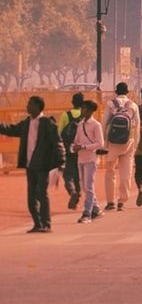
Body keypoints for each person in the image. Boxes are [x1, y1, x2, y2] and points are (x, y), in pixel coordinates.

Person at [0, 95, 65, 232]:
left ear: (37, 106)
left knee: (41, 194)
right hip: (30, 165)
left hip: (42, 165)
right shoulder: (26, 123)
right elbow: (11, 129)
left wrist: (62, 162)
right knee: (31, 197)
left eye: (29, 104)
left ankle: (46, 224)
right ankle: (37, 223)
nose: (27, 106)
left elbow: (58, 143)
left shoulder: (47, 123)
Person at [103, 81, 140, 211]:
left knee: (110, 173)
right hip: (128, 142)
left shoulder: (110, 104)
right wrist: (135, 145)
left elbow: (104, 124)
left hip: (112, 143)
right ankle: (122, 201)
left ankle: (110, 202)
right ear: (127, 92)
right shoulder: (133, 106)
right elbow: (137, 128)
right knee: (126, 173)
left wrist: (104, 144)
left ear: (116, 91)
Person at [71, 99, 105, 221]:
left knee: (89, 187)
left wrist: (84, 147)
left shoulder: (96, 125)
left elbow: (100, 143)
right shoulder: (80, 125)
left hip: (91, 159)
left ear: (90, 111)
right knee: (84, 187)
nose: (82, 111)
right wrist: (74, 147)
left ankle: (87, 214)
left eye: (84, 109)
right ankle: (96, 209)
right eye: (82, 108)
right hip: (81, 159)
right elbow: (76, 141)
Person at [58, 91, 85, 211]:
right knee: (78, 174)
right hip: (81, 150)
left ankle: (72, 191)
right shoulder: (85, 115)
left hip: (68, 150)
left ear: (72, 102)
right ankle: (78, 195)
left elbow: (59, 133)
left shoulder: (66, 115)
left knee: (68, 174)